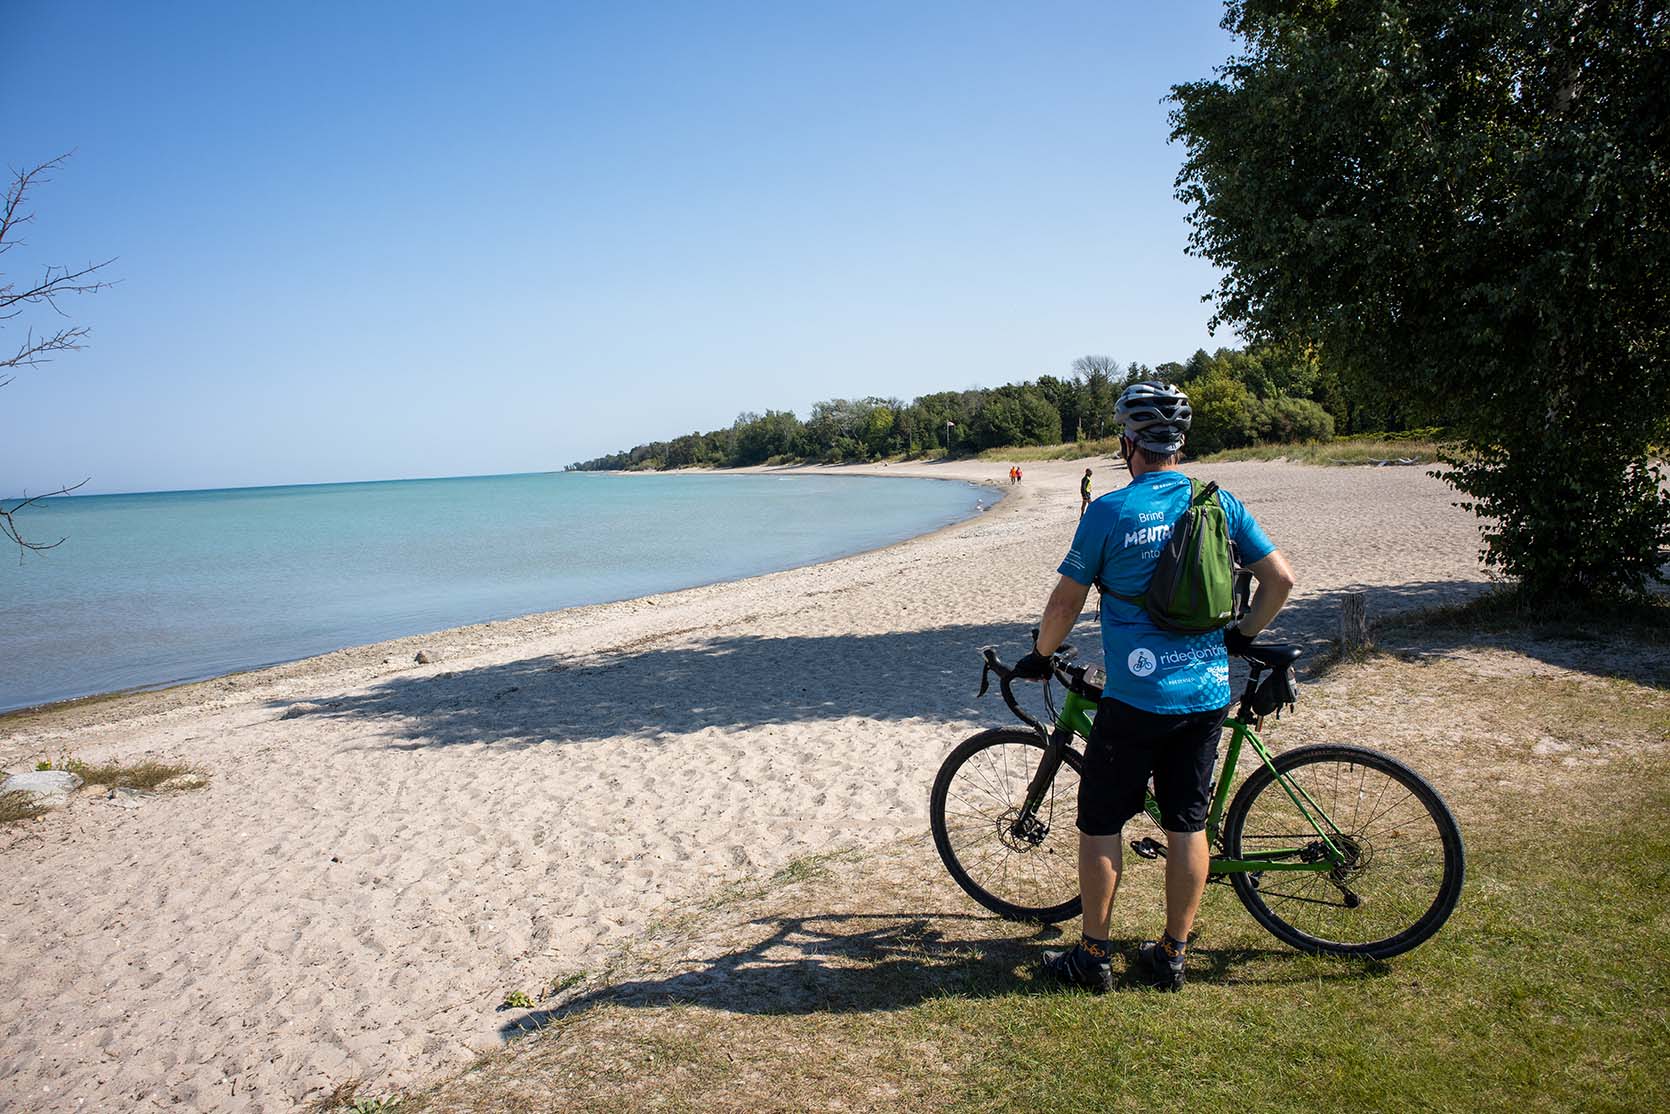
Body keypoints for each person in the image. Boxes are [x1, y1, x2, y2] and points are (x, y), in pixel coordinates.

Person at [1010, 380, 1296, 992]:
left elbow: (1065, 602)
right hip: (1206, 694)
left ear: (1127, 443)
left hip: (1137, 700)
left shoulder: (1109, 511)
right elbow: (1281, 581)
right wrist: (1239, 637)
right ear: (1179, 444)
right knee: (1187, 823)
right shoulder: (1218, 502)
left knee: (1101, 823)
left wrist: (1038, 655)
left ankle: (1092, 957)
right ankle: (1170, 954)